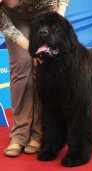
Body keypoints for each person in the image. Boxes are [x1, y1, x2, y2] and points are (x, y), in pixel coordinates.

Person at [0, 0, 70, 157]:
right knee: (20, 68)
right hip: (13, 18)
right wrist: (31, 49)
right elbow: (7, 28)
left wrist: (58, 17)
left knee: (42, 69)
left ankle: (38, 133)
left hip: (44, 12)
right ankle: (19, 134)